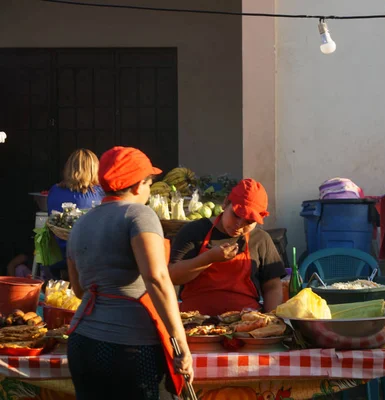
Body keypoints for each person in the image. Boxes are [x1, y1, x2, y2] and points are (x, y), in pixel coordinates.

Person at [66, 146, 193, 399]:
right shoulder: (139, 214)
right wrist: (181, 344)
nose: (148, 190)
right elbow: (157, 278)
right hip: (130, 347)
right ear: (137, 186)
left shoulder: (81, 223)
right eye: (149, 183)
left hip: (82, 342)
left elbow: (79, 289)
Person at [169, 178, 286, 316]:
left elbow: (272, 286)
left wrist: (271, 319)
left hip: (246, 326)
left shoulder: (261, 239)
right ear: (225, 203)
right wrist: (208, 258)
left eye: (249, 221)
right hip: (195, 323)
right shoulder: (194, 231)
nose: (240, 224)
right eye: (236, 215)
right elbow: (173, 276)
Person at [47, 149, 105, 279]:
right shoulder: (100, 192)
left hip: (58, 256)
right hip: (90, 257)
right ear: (94, 168)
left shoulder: (55, 190)